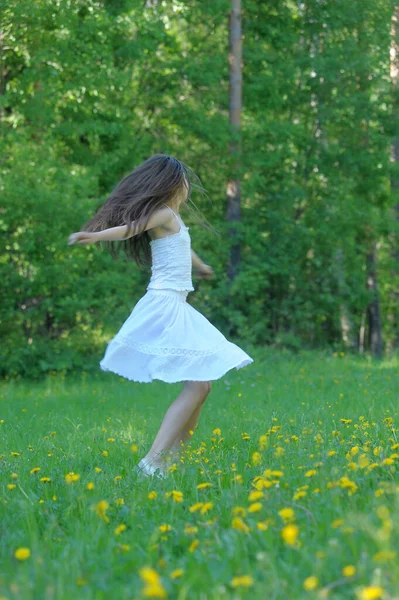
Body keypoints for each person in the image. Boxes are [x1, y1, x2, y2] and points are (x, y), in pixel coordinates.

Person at [68, 154, 254, 479]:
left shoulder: (173, 218)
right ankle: (153, 463)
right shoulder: (164, 213)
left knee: (203, 385)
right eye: (184, 181)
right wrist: (96, 236)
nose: (188, 187)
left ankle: (170, 462)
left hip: (177, 303)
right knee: (198, 385)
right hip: (165, 303)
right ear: (172, 184)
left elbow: (183, 246)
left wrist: (201, 266)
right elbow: (130, 229)